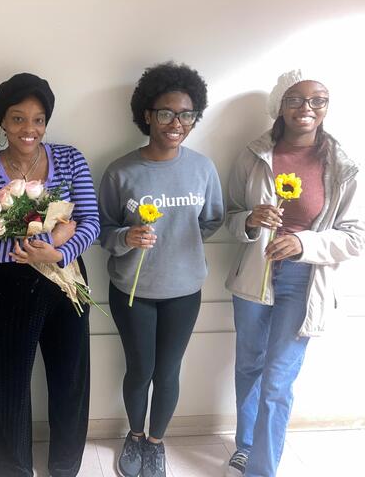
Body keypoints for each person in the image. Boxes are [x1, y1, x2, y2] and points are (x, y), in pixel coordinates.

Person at [224, 70, 365, 477]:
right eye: (295, 100)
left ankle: (262, 469)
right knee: (249, 365)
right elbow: (230, 217)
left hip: (305, 283)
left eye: (317, 100)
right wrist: (251, 220)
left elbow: (355, 237)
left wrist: (304, 244)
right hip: (254, 274)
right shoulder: (253, 155)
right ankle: (245, 447)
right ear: (279, 107)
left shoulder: (342, 165)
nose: (306, 108)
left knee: (278, 381)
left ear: (326, 107)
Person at [0, 72, 99, 477]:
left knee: (70, 377)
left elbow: (91, 221)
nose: (29, 128)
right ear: (3, 122)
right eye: (18, 118)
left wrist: (58, 250)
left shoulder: (71, 158)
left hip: (67, 277)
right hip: (11, 284)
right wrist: (43, 241)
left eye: (38, 119)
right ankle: (11, 468)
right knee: (8, 380)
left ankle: (65, 467)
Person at [98, 62, 224, 477]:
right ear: (147, 115)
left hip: (184, 289)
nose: (176, 122)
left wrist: (182, 245)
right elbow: (104, 230)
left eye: (186, 114)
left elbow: (211, 220)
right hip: (133, 290)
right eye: (166, 113)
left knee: (168, 372)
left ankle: (155, 443)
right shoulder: (120, 171)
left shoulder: (203, 168)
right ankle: (134, 436)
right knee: (140, 370)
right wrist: (127, 238)